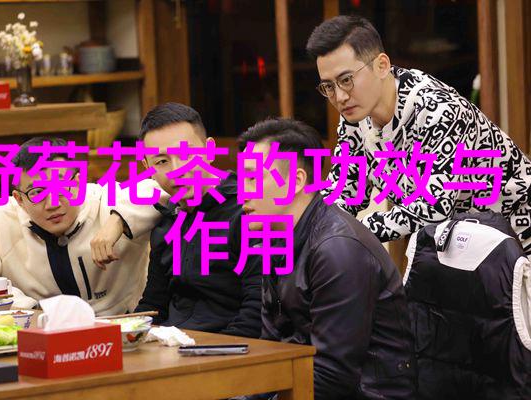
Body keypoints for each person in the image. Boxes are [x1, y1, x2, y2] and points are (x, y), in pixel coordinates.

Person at [307, 15, 531, 254]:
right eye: (328, 86)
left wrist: (352, 231)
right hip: (459, 247)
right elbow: (345, 192)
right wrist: (308, 227)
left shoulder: (439, 110)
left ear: (381, 65)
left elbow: (434, 206)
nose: (340, 97)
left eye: (346, 80)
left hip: (518, 235)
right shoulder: (355, 116)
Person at [239, 118, 417, 399]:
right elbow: (272, 346)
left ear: (296, 181)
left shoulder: (337, 249)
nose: (243, 192)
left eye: (253, 178)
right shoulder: (276, 239)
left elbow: (333, 376)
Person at [0, 137, 165, 315]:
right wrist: (24, 305)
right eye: (37, 192)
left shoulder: (105, 200)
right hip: (41, 333)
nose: (53, 203)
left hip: (125, 332)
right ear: (19, 199)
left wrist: (117, 221)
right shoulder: (0, 219)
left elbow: (162, 190)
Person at [134, 102, 262, 338]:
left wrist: (209, 352)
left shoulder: (248, 211)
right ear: (148, 167)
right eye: (162, 161)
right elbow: (153, 305)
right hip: (174, 345)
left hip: (231, 347)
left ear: (209, 150)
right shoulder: (166, 221)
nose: (177, 170)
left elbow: (258, 309)